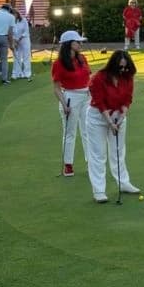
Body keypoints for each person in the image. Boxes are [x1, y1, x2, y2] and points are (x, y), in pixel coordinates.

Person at [85, 50, 141, 203]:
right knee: (98, 154)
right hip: (98, 117)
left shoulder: (127, 77)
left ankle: (124, 183)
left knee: (118, 151)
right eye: (120, 67)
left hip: (118, 116)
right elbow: (99, 102)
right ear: (113, 65)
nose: (123, 70)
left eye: (125, 67)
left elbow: (128, 98)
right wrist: (110, 122)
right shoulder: (99, 78)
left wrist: (122, 117)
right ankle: (99, 191)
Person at [51, 30, 92, 177]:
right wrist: (64, 104)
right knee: (70, 133)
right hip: (70, 97)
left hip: (86, 96)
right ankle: (68, 165)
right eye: (77, 42)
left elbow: (89, 77)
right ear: (69, 44)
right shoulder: (59, 64)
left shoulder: (82, 58)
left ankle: (90, 162)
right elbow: (56, 88)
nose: (80, 44)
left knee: (87, 131)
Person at [10, 9, 32, 80]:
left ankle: (27, 73)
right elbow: (11, 32)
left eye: (14, 14)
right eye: (12, 15)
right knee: (16, 56)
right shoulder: (11, 22)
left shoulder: (23, 20)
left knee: (26, 56)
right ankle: (16, 73)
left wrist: (18, 39)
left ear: (17, 14)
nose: (13, 16)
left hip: (25, 39)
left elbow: (26, 31)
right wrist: (14, 41)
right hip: (15, 40)